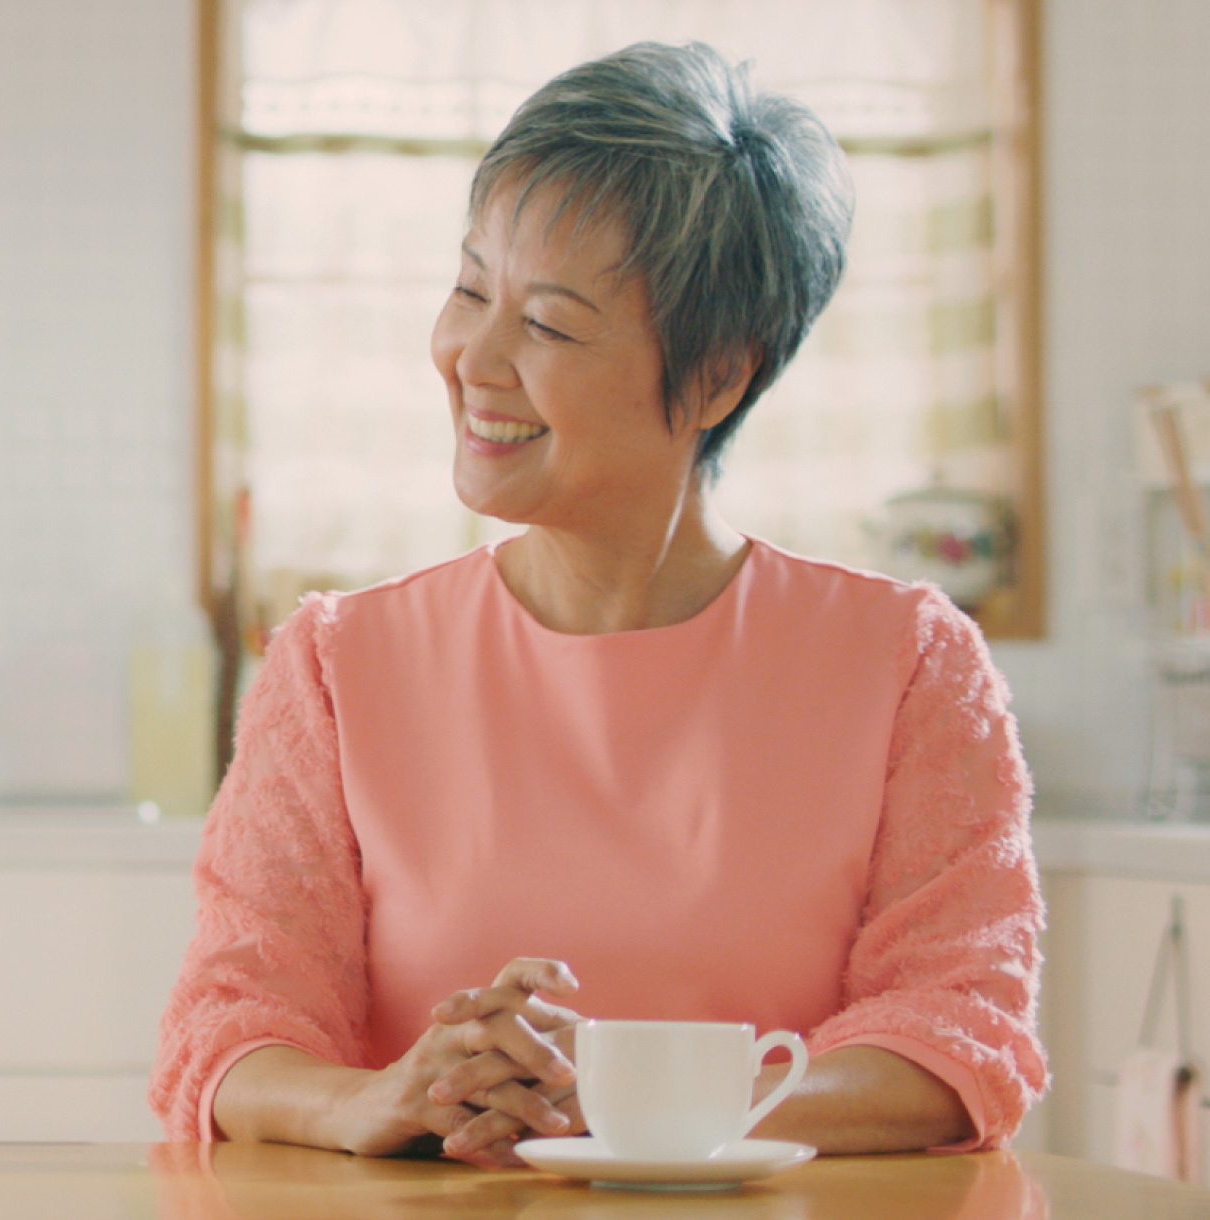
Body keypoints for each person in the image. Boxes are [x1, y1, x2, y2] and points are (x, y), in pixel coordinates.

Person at [148, 41, 1044, 1166]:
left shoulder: (908, 662)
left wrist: (624, 1102)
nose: (472, 357)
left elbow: (957, 1036)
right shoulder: (336, 663)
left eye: (549, 324)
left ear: (716, 374)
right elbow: (231, 1026)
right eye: (470, 289)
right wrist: (371, 1101)